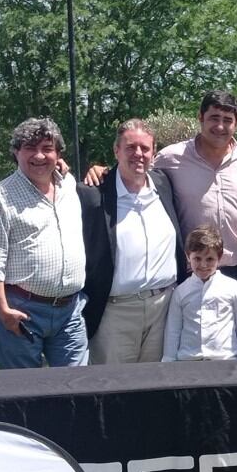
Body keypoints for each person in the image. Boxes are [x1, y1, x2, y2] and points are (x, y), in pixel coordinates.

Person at [86, 90, 237, 314]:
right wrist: (104, 172)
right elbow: (136, 170)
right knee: (189, 342)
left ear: (236, 123)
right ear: (200, 117)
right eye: (214, 118)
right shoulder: (171, 158)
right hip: (191, 271)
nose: (220, 126)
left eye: (227, 120)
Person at [0, 117, 89, 368]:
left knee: (78, 389)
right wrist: (4, 312)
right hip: (21, 310)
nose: (39, 156)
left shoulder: (69, 186)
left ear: (58, 154)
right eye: (30, 148)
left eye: (47, 149)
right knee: (22, 393)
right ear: (16, 152)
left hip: (70, 310)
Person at [78, 119, 186, 364]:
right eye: (130, 147)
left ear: (154, 152)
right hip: (115, 312)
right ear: (116, 151)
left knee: (157, 388)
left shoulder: (163, 184)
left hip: (164, 308)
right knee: (113, 390)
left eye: (145, 148)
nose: (138, 154)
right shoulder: (94, 194)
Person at [163, 225, 237, 360]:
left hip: (225, 359)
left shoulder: (233, 287)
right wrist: (168, 358)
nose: (204, 265)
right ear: (188, 256)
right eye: (197, 258)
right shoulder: (181, 292)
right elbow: (173, 329)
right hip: (188, 360)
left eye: (210, 259)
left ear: (219, 257)